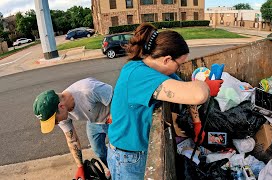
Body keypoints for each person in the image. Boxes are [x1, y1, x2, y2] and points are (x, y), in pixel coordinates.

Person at [107, 23, 223, 179]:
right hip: (128, 157)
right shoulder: (137, 74)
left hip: (139, 149)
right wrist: (207, 87)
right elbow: (198, 94)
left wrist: (197, 124)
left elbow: (185, 92)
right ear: (167, 60)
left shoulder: (158, 71)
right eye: (179, 65)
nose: (179, 69)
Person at [33, 77, 112, 180]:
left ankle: (119, 169)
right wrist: (80, 167)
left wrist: (113, 119)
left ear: (61, 106)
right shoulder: (61, 114)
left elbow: (118, 99)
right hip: (94, 121)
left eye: (55, 120)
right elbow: (72, 140)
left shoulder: (88, 89)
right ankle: (111, 167)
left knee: (119, 151)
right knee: (98, 150)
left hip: (112, 119)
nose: (56, 124)